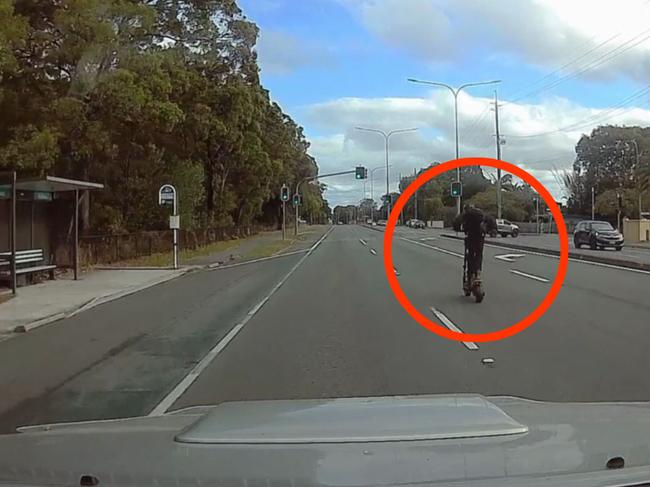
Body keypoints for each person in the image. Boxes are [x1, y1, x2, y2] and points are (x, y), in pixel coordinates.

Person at [453, 204, 496, 301]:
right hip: (480, 237)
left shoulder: (466, 214)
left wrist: (457, 228)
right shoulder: (481, 213)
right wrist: (491, 230)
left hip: (470, 237)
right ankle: (478, 273)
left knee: (469, 257)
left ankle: (470, 277)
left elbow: (456, 222)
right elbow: (491, 219)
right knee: (479, 255)